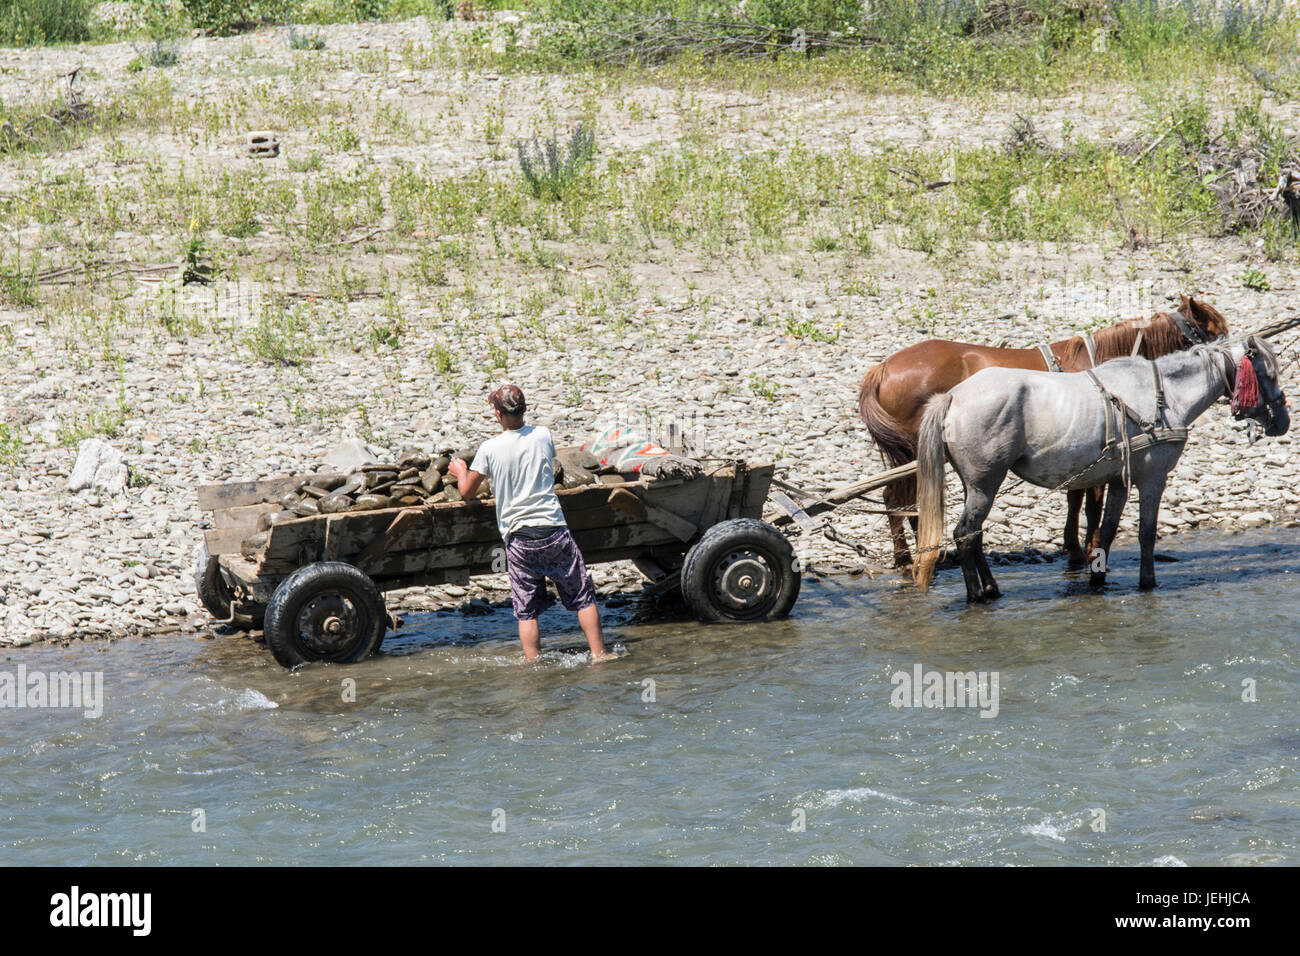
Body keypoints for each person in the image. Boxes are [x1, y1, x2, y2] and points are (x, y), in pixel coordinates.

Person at [447, 384, 617, 663]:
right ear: (523, 410)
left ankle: (533, 663)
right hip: (553, 529)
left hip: (519, 537)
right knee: (582, 597)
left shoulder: (489, 448)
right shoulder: (542, 435)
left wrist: (460, 470)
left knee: (526, 608)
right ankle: (599, 654)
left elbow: (466, 492)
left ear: (498, 413)